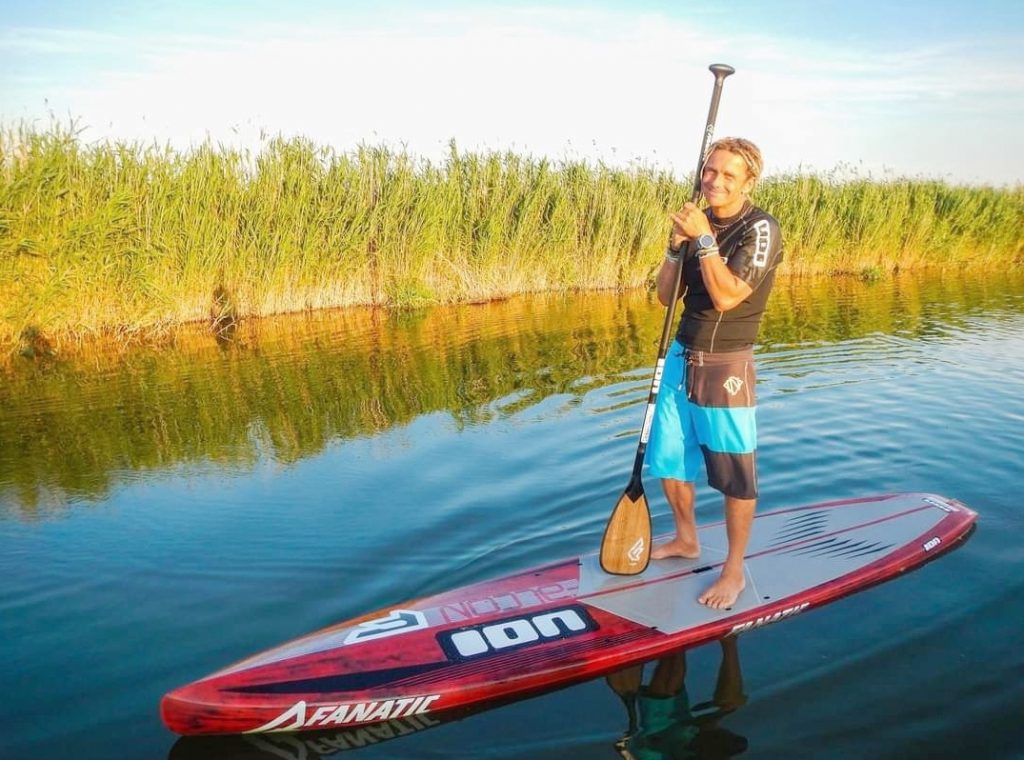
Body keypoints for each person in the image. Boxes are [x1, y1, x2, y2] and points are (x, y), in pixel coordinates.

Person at [646, 137, 783, 610]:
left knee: (734, 475)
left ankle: (734, 570)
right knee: (667, 458)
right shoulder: (693, 223)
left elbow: (727, 297)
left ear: (748, 181)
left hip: (725, 364)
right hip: (681, 356)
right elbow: (666, 297)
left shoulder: (760, 228)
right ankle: (686, 540)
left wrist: (703, 239)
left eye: (728, 175)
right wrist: (674, 246)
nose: (715, 181)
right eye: (710, 171)